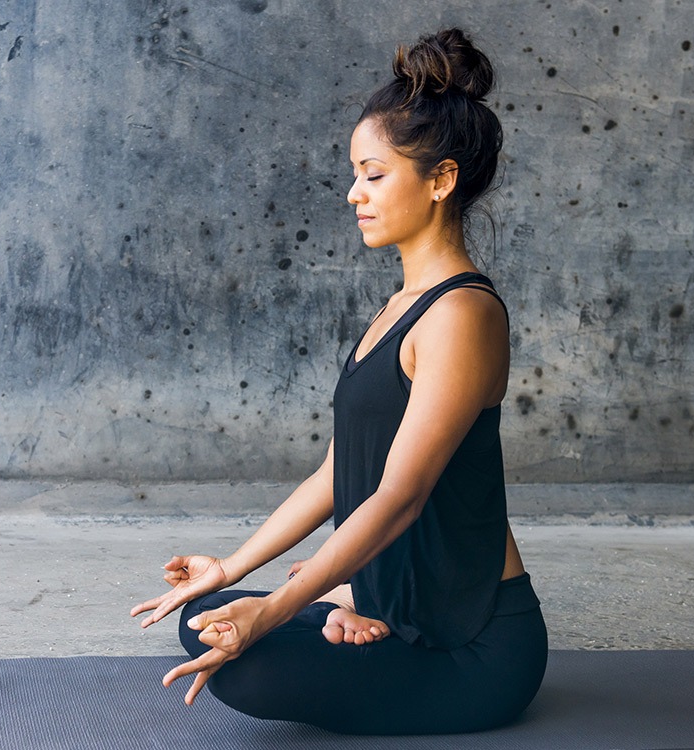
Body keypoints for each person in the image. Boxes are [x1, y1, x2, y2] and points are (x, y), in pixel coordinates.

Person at [130, 27, 548, 735]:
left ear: (442, 180)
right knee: (206, 621)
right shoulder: (398, 309)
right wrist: (229, 572)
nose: (354, 193)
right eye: (354, 173)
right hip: (407, 600)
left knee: (248, 660)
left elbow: (400, 496)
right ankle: (364, 605)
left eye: (374, 174)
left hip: (476, 645)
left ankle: (364, 609)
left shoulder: (462, 315)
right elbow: (335, 475)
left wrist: (275, 611)